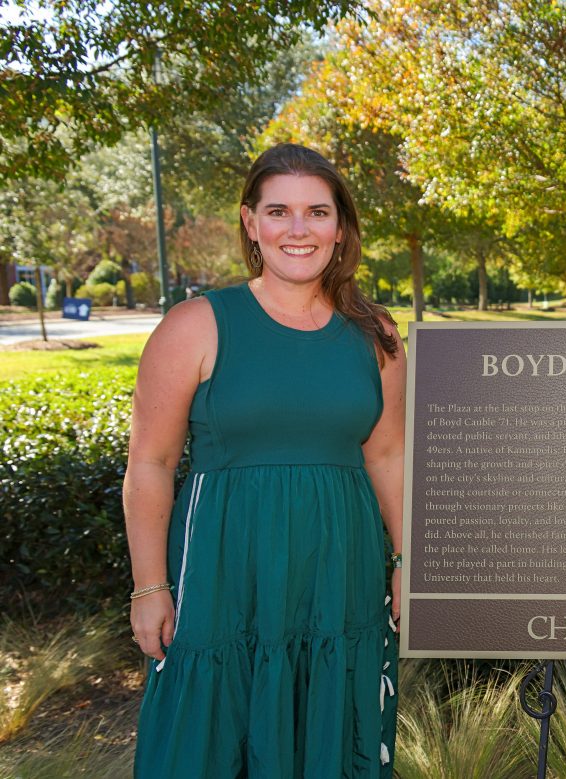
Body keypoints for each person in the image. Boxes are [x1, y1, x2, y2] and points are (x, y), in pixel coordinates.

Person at [124, 143, 404, 777]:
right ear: (250, 222)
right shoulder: (196, 325)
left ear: (341, 227)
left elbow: (387, 455)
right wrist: (149, 586)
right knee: (207, 735)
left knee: (330, 729)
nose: (298, 230)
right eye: (279, 211)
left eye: (317, 212)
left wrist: (405, 563)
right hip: (224, 573)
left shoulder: (376, 335)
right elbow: (150, 462)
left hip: (340, 573)